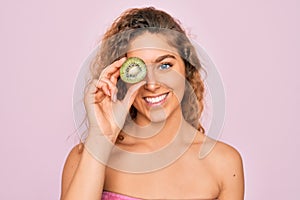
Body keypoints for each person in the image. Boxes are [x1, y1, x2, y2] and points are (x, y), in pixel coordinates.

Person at [60, 7, 244, 200]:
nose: (152, 84)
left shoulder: (224, 164)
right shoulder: (85, 157)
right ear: (120, 77)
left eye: (165, 65)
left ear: (186, 69)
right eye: (137, 69)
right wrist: (100, 139)